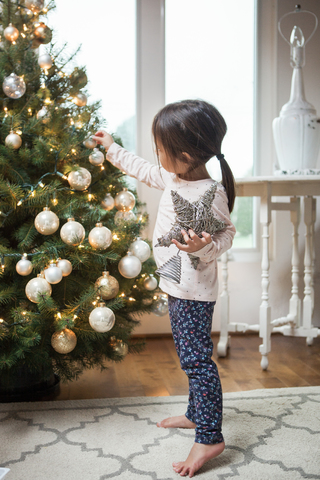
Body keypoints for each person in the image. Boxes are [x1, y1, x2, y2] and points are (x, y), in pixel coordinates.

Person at [92, 99, 236, 478]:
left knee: (196, 361)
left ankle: (209, 436)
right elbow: (141, 169)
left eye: (162, 150)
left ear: (186, 156)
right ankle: (195, 414)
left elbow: (226, 237)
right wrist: (111, 148)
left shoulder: (211, 192)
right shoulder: (172, 177)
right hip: (177, 287)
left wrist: (201, 247)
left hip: (194, 292)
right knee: (191, 356)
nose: (157, 156)